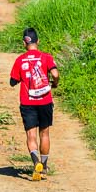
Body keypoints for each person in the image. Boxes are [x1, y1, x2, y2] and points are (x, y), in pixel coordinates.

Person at [9, 27, 59, 181]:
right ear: (38, 41)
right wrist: (54, 83)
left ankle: (35, 161)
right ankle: (43, 166)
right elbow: (55, 74)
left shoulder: (20, 60)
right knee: (44, 133)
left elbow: (12, 81)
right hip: (45, 100)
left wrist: (19, 79)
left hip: (27, 102)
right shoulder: (46, 57)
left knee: (31, 135)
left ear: (24, 43)